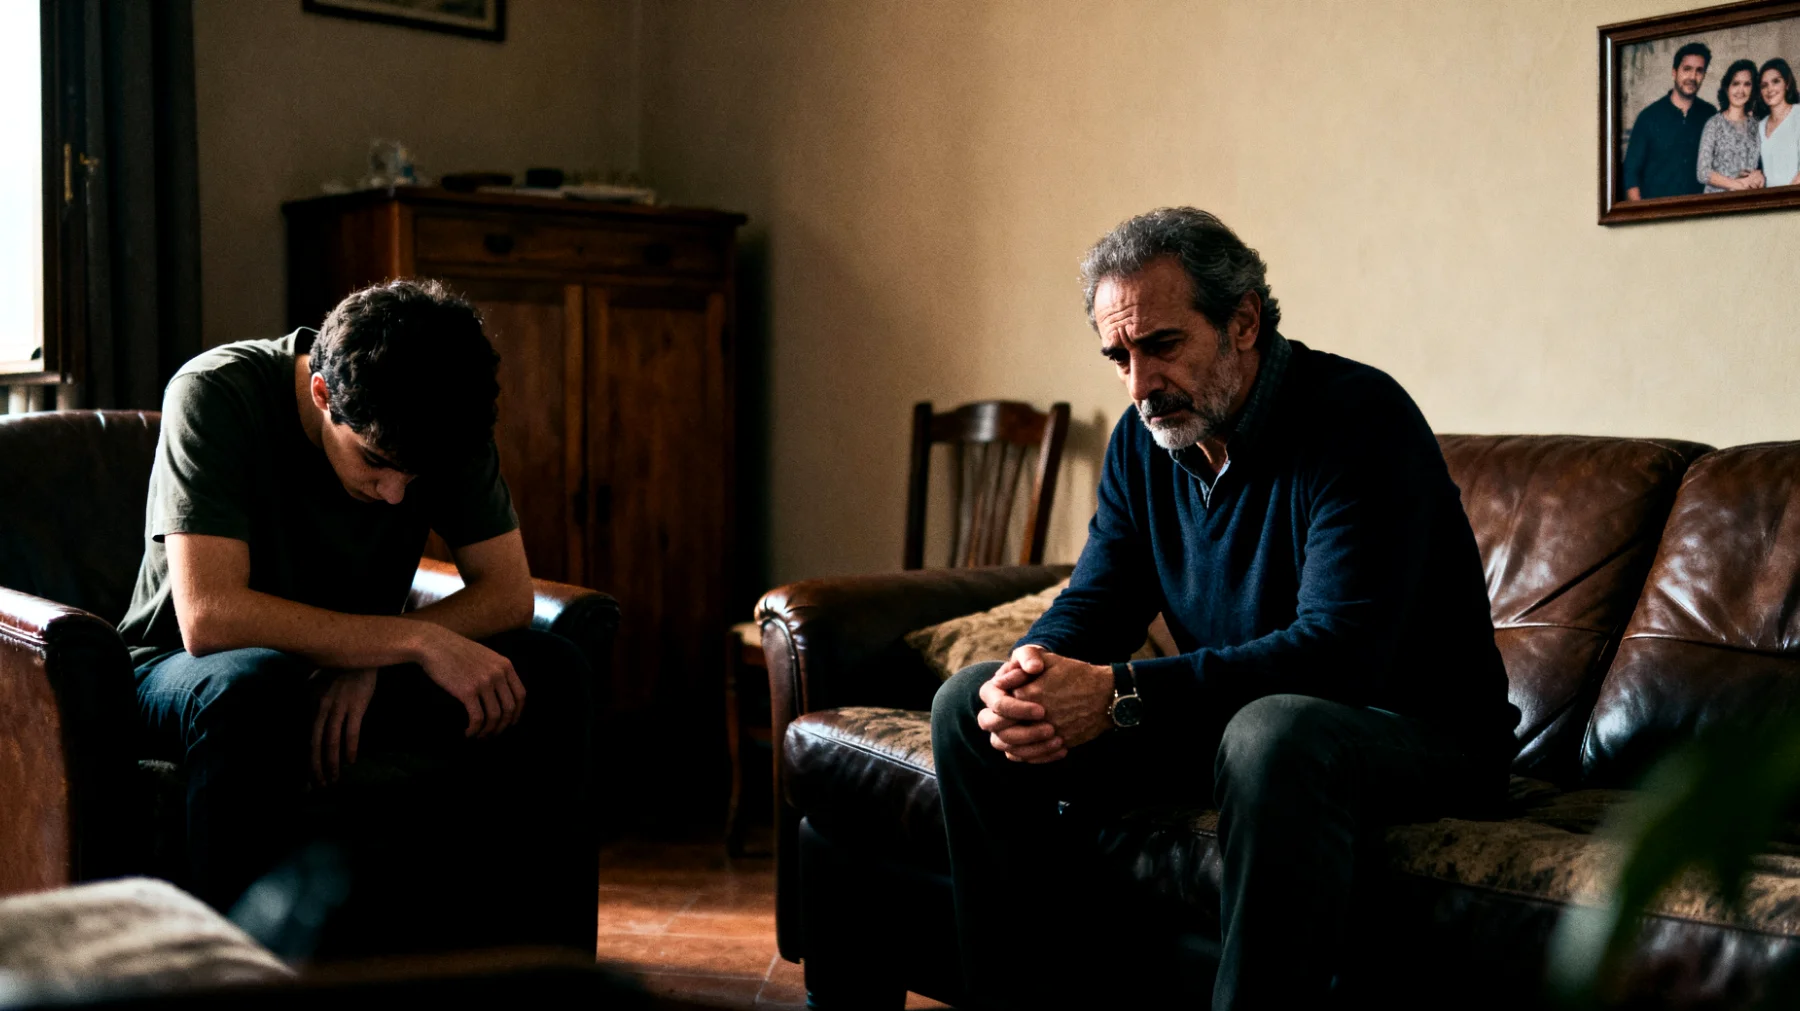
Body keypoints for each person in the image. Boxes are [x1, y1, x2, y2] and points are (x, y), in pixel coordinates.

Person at [930, 208, 1519, 1010]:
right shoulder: (1144, 441)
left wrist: (1121, 693)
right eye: (1119, 356)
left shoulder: (1360, 419)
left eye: (1162, 345)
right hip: (1242, 725)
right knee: (969, 705)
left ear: (1243, 321)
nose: (1139, 384)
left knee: (1274, 730)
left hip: (1415, 735)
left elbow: (1338, 654)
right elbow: (1098, 599)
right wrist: (1028, 673)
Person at [119, 279, 595, 954]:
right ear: (321, 394)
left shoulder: (445, 419)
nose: (395, 493)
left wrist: (377, 658)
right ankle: (240, 983)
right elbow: (212, 616)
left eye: (415, 477)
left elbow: (508, 591)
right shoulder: (214, 393)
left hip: (347, 663)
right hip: (182, 671)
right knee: (250, 686)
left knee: (553, 668)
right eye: (374, 461)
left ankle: (548, 970)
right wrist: (408, 641)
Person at [1624, 41, 1716, 200]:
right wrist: (1643, 213)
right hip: (1657, 211)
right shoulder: (1648, 117)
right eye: (1687, 69)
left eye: (1699, 71)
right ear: (1674, 72)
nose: (1692, 77)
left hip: (1701, 210)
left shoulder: (1710, 115)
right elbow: (1630, 174)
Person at [1697, 58, 1765, 192]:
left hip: (1749, 199)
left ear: (1753, 89)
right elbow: (1703, 172)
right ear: (1727, 88)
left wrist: (1760, 174)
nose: (1741, 90)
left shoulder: (1757, 126)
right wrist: (1737, 185)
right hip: (1718, 200)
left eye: (1747, 84)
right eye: (1736, 83)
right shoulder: (1714, 124)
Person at [1757, 57, 1800, 187]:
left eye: (1776, 81)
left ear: (1787, 84)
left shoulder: (1798, 114)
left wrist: (1790, 194)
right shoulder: (1760, 126)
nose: (1770, 89)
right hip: (1770, 197)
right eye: (1764, 85)